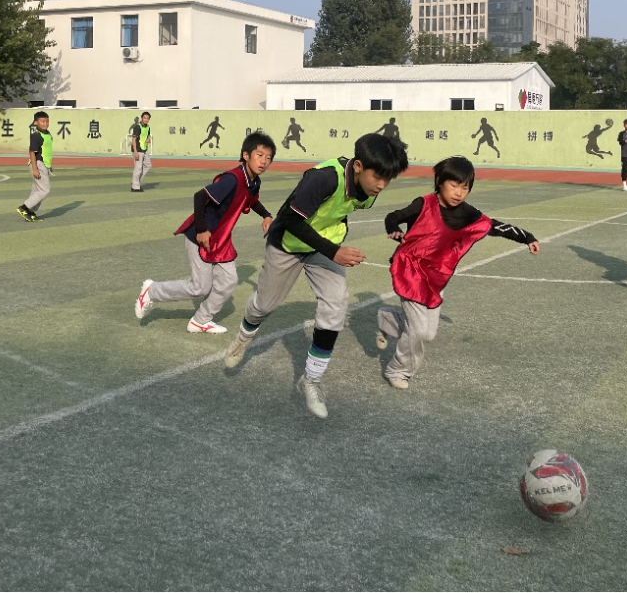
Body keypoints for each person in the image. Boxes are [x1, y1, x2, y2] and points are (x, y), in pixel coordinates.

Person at [223, 133, 409, 419]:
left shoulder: (369, 191)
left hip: (322, 248)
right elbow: (290, 220)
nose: (382, 185)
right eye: (378, 176)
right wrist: (334, 251)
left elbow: (337, 212)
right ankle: (243, 337)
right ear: (358, 166)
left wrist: (331, 247)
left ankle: (311, 379)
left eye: (389, 178)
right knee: (264, 305)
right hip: (288, 243)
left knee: (336, 304)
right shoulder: (323, 178)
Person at [377, 156, 540, 390]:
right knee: (419, 331)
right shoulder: (423, 204)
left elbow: (493, 225)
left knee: (428, 334)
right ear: (439, 182)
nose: (459, 193)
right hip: (411, 270)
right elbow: (393, 216)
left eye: (465, 188)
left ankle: (387, 318)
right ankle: (398, 370)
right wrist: (393, 229)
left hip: (436, 278)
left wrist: (527, 237)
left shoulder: (467, 213)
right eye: (454, 185)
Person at [135, 132, 277, 332]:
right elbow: (199, 197)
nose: (263, 161)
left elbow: (251, 200)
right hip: (201, 237)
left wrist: (266, 215)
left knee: (228, 281)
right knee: (199, 288)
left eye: (268, 158)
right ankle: (151, 291)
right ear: (246, 155)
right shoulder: (233, 179)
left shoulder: (253, 181)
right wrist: (201, 230)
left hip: (221, 240)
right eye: (259, 155)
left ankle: (200, 321)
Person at [17, 111, 52, 222]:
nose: (45, 123)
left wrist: (49, 166)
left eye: (47, 121)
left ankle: (31, 211)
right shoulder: (36, 135)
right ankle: (25, 207)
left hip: (44, 165)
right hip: (37, 164)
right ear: (36, 122)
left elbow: (46, 151)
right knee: (45, 190)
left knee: (37, 190)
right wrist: (35, 169)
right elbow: (32, 152)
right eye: (42, 121)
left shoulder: (47, 134)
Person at [130, 111, 152, 193]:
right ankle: (135, 187)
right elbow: (134, 139)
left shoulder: (148, 127)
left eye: (147, 118)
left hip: (144, 149)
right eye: (144, 118)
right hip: (138, 150)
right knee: (138, 168)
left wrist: (148, 140)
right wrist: (135, 151)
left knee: (148, 165)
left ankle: (136, 182)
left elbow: (146, 137)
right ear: (142, 118)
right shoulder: (137, 127)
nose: (146, 120)